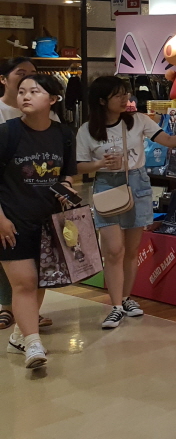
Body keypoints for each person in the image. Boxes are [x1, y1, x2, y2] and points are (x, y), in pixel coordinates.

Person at [76, 76, 176, 329]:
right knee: (113, 250)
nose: (125, 99)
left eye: (125, 93)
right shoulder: (87, 130)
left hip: (137, 183)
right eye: (118, 95)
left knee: (131, 249)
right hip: (106, 185)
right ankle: (115, 306)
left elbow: (168, 141)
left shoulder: (138, 120)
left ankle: (126, 298)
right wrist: (100, 164)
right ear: (102, 100)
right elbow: (78, 165)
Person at [0, 74, 77, 369]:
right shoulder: (7, 133)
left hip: (48, 222)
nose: (26, 96)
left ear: (53, 99)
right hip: (11, 222)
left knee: (39, 281)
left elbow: (66, 174)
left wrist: (66, 187)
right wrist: (1, 220)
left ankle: (20, 336)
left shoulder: (64, 134)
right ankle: (33, 345)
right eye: (22, 91)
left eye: (34, 91)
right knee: (25, 283)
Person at [0, 58, 58, 334]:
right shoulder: (6, 124)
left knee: (34, 269)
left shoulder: (54, 124)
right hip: (8, 201)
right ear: (4, 79)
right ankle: (7, 307)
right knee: (13, 257)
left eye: (33, 76)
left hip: (37, 205)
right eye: (21, 75)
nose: (27, 81)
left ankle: (26, 317)